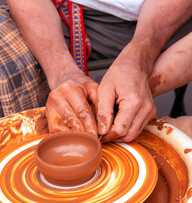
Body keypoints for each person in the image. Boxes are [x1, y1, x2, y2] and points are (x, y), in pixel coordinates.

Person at [1, 0, 192, 143]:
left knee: (171, 147)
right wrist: (61, 73)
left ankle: (127, 109)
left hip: (174, 16)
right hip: (68, 13)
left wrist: (140, 58)